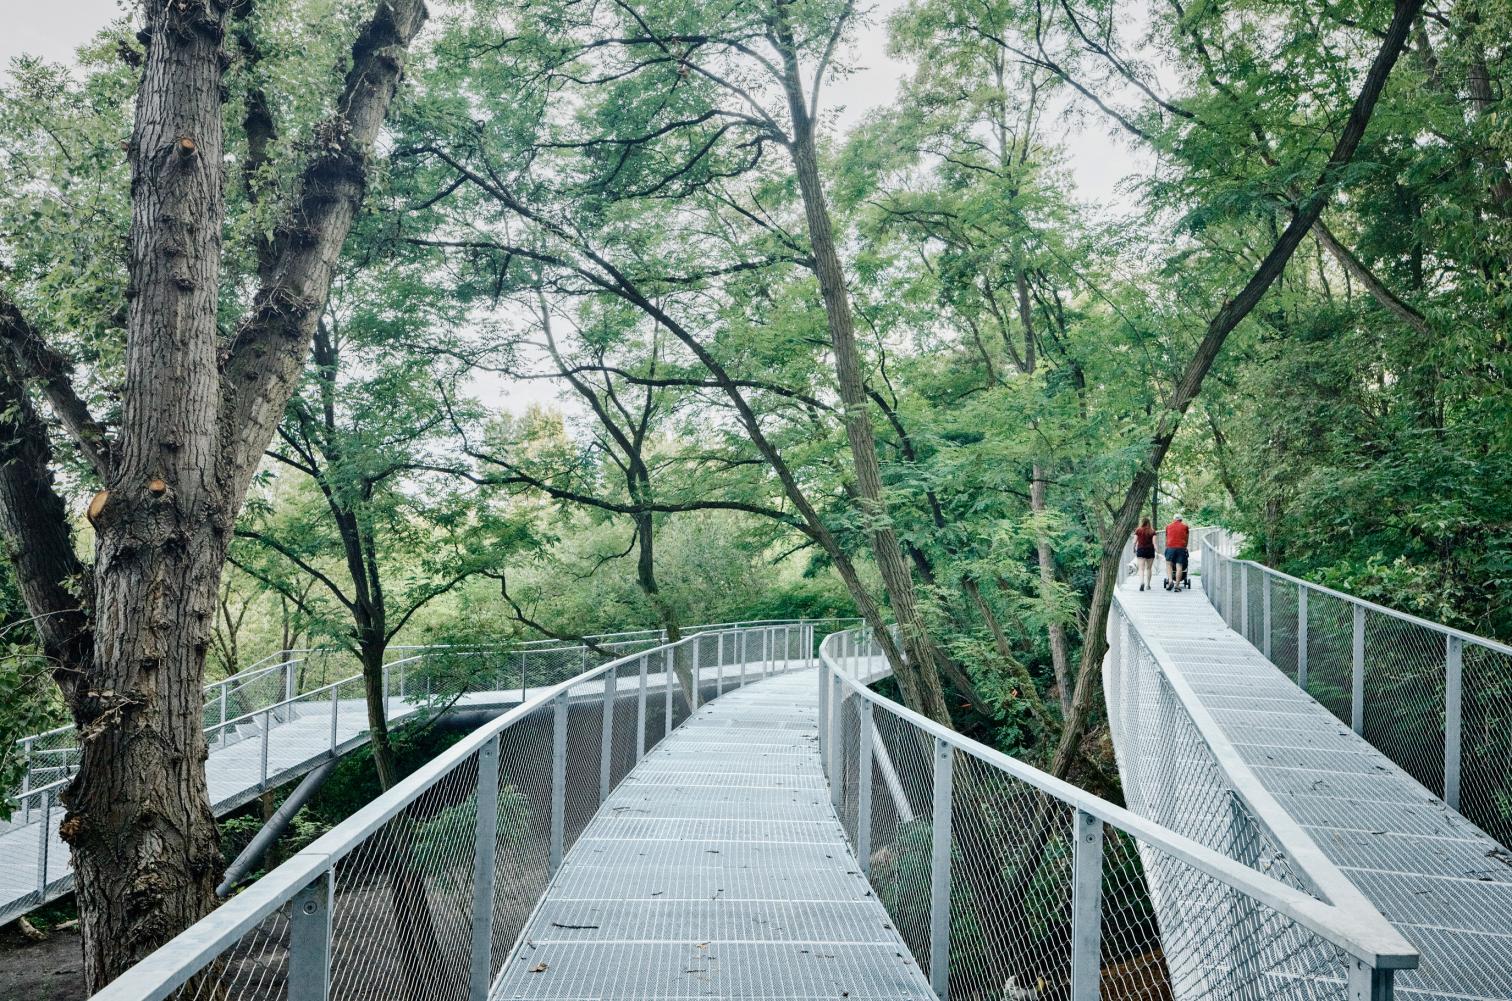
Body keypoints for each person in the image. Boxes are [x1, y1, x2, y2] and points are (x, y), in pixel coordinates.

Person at [1164, 515, 1190, 591]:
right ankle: (1177, 586)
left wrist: (1167, 547)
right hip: (1181, 548)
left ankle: (1170, 581)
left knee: (1168, 564)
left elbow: (1167, 538)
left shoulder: (1168, 526)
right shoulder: (1185, 527)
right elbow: (1186, 539)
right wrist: (1185, 547)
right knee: (1179, 566)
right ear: (1181, 520)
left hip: (1170, 547)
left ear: (1174, 519)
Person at [1133, 517, 1157, 591]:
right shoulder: (1152, 531)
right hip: (1150, 550)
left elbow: (1134, 542)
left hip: (1141, 550)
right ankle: (1148, 585)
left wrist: (1133, 548)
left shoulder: (1138, 530)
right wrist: (1157, 550)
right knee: (1149, 568)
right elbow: (1154, 543)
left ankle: (1142, 582)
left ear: (1142, 522)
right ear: (1149, 523)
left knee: (1141, 568)